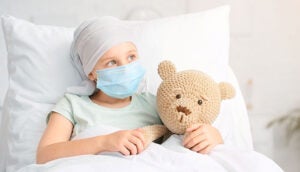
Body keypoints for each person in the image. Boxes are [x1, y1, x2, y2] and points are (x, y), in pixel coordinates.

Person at [36, 17, 223, 164]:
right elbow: (45, 155)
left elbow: (185, 137)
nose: (125, 67)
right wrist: (104, 142)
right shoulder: (72, 104)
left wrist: (213, 136)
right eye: (111, 62)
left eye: (131, 56)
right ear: (91, 72)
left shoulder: (156, 103)